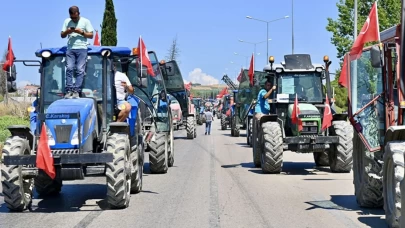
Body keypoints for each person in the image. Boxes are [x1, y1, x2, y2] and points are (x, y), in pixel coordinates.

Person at [61, 6, 94, 99]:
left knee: (80, 69)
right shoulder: (67, 21)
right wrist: (67, 31)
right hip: (70, 48)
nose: (74, 19)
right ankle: (69, 90)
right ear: (70, 15)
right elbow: (62, 35)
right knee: (69, 68)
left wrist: (82, 32)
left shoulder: (86, 21)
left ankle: (76, 90)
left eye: (75, 17)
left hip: (82, 48)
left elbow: (91, 35)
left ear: (79, 13)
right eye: (72, 18)